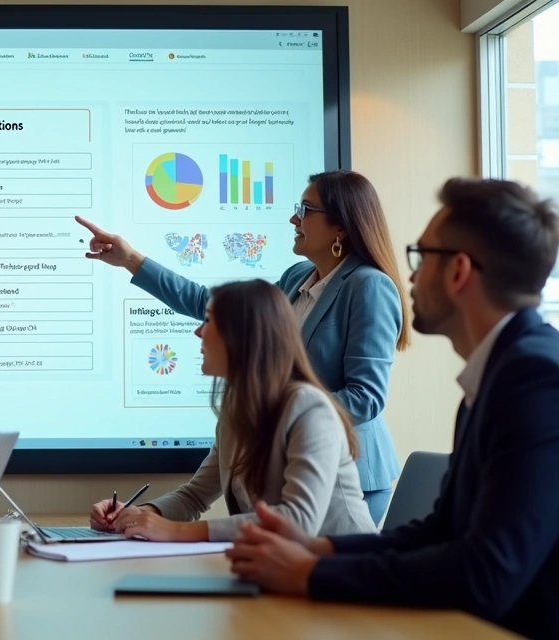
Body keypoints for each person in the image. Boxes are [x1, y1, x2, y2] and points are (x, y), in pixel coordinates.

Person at [225, 178, 559, 640]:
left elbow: (484, 574)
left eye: (421, 258)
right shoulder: (498, 375)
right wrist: (318, 548)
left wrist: (310, 575)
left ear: (459, 271)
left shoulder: (535, 383)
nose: (412, 277)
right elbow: (442, 531)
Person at [77, 170, 410, 523]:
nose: (293, 218)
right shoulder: (297, 277)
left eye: (306, 209)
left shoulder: (368, 286)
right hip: (283, 460)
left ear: (340, 227)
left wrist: (281, 415)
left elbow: (366, 398)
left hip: (349, 479)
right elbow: (220, 306)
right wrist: (131, 259)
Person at [89, 280, 378, 542]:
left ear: (243, 334)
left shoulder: (309, 408)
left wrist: (175, 531)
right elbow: (194, 496)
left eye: (208, 320)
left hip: (346, 579)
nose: (197, 331)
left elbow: (298, 522)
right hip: (285, 572)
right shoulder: (237, 408)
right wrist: (135, 516)